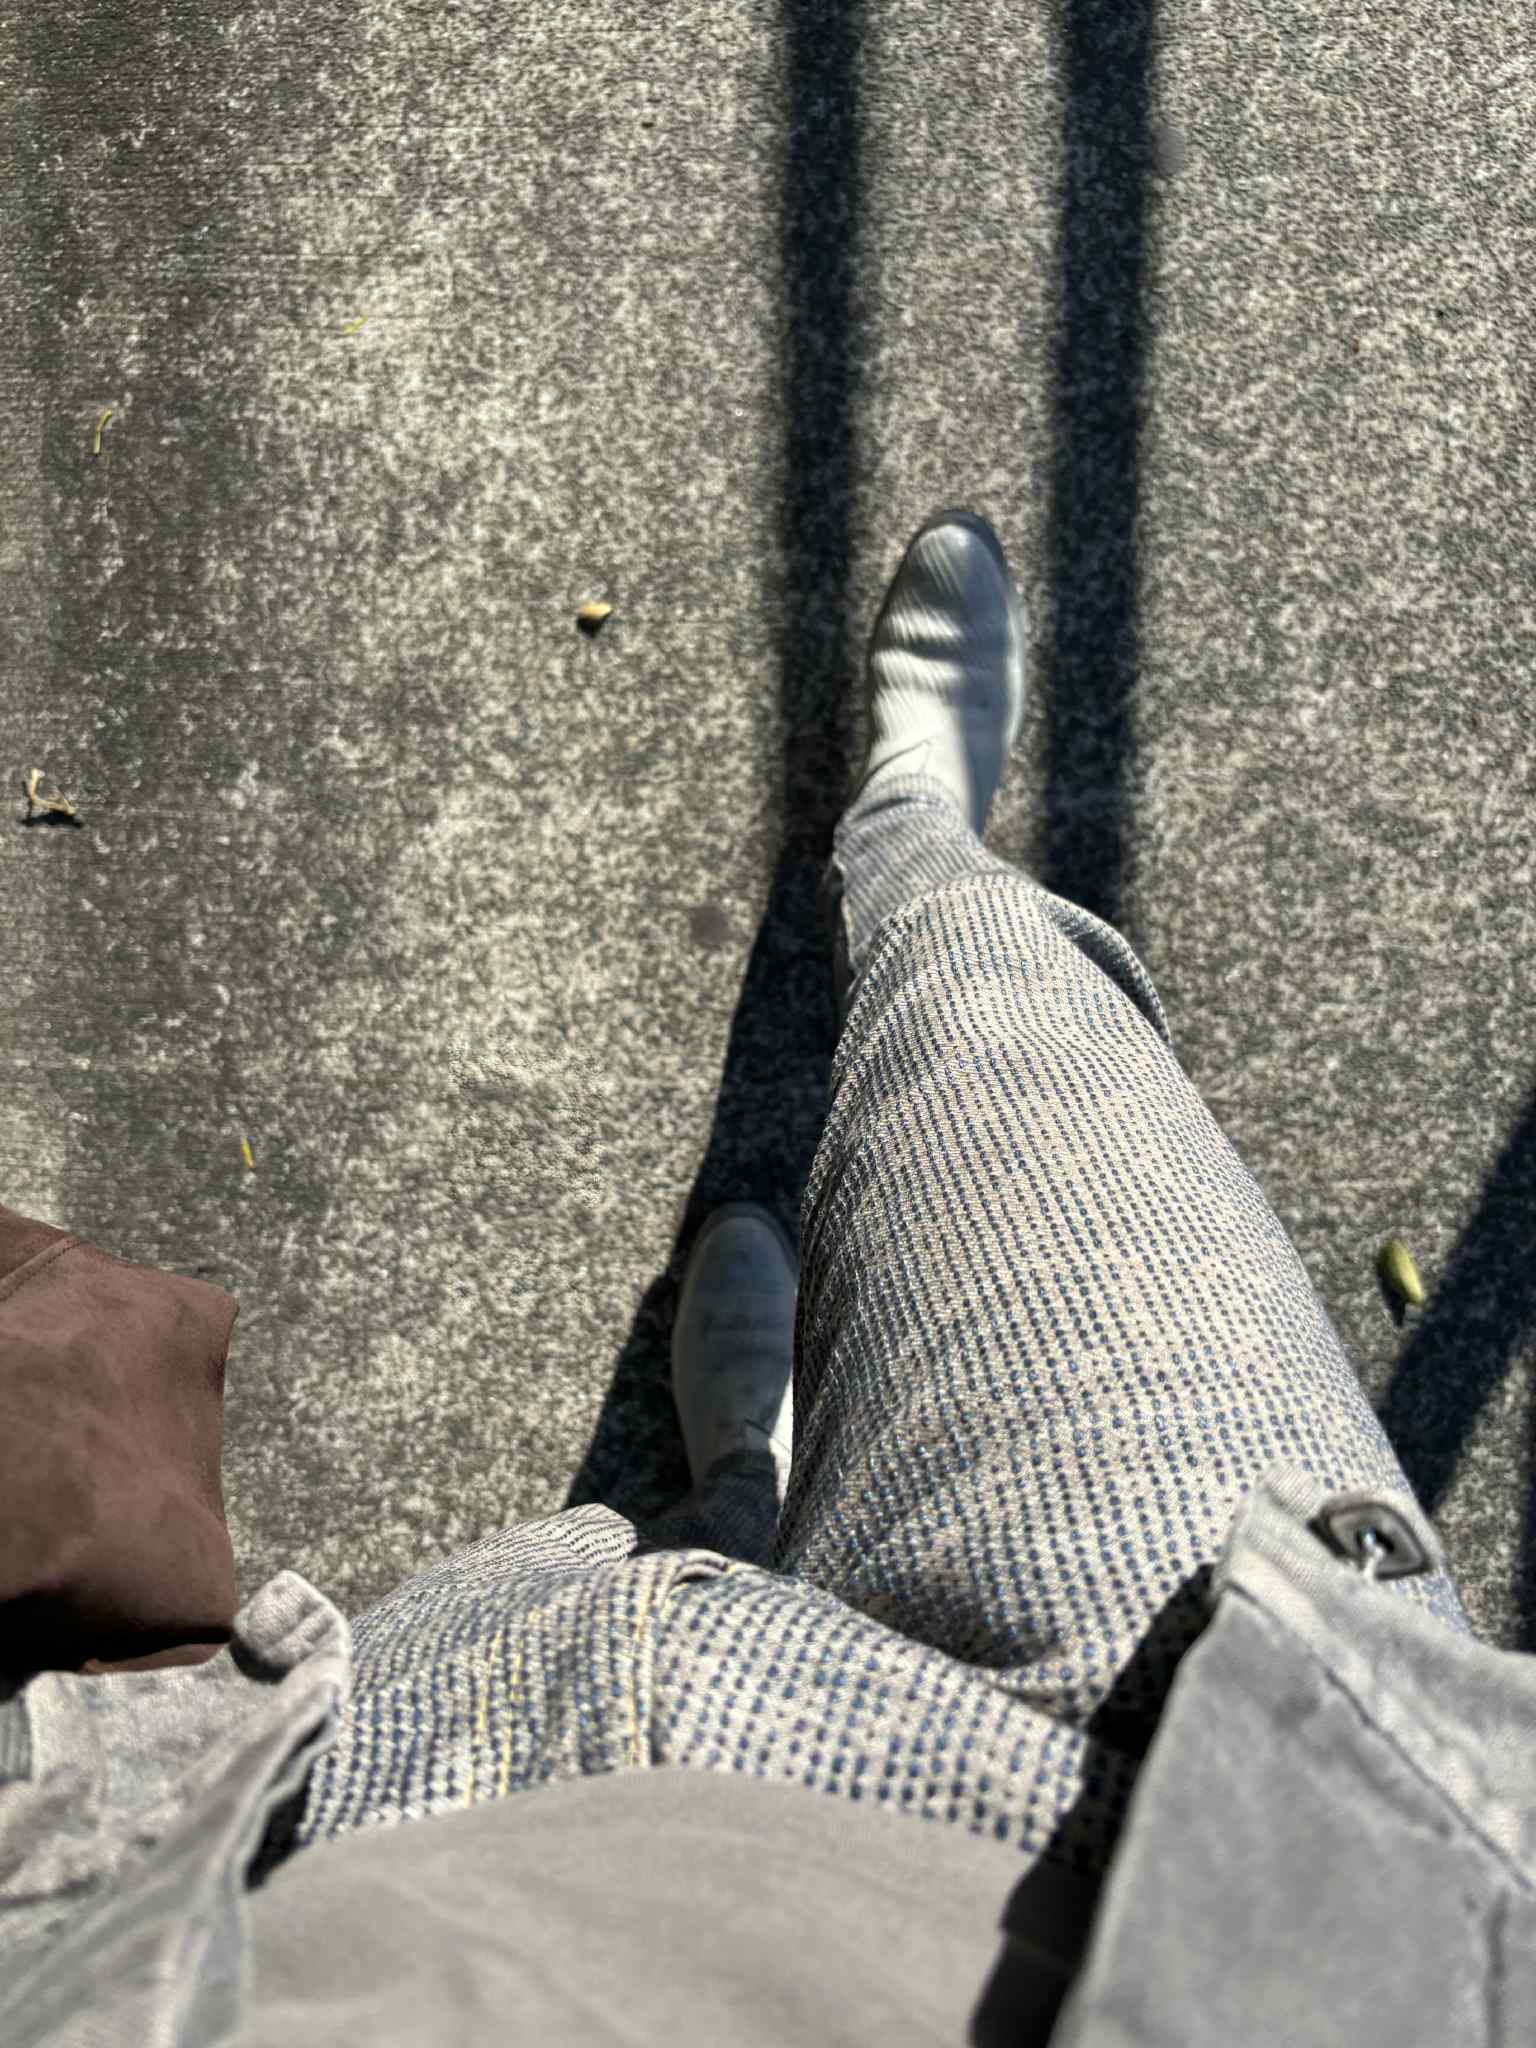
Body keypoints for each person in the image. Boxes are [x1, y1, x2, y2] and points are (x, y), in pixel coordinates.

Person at [1, 512, 1515, 2048]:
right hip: (1228, 1832)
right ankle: (916, 828)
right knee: (1002, 1011)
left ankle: (740, 1478)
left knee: (628, 1560)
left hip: (338, 1819)